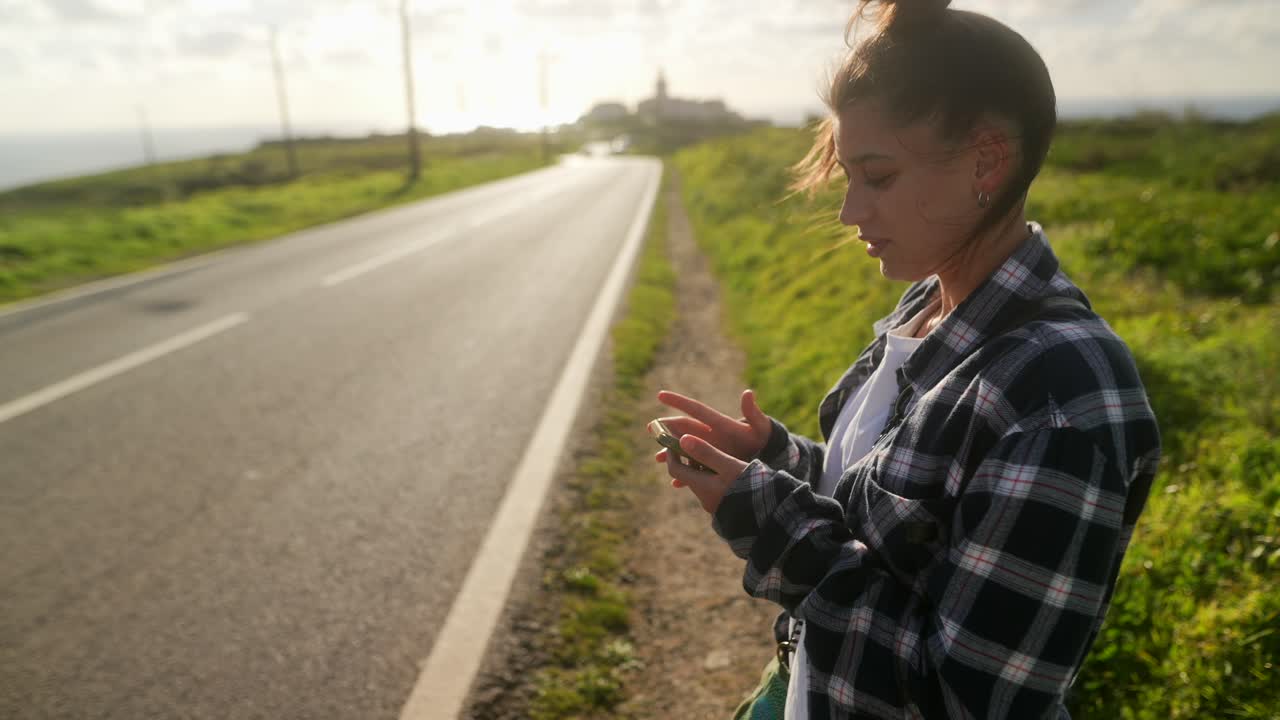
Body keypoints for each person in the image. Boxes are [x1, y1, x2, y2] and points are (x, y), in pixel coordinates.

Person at [652, 1, 1162, 718]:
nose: (849, 212)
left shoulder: (1060, 395)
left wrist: (770, 522)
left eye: (878, 176)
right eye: (847, 175)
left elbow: (968, 698)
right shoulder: (928, 306)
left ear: (987, 160)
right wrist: (775, 461)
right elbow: (891, 523)